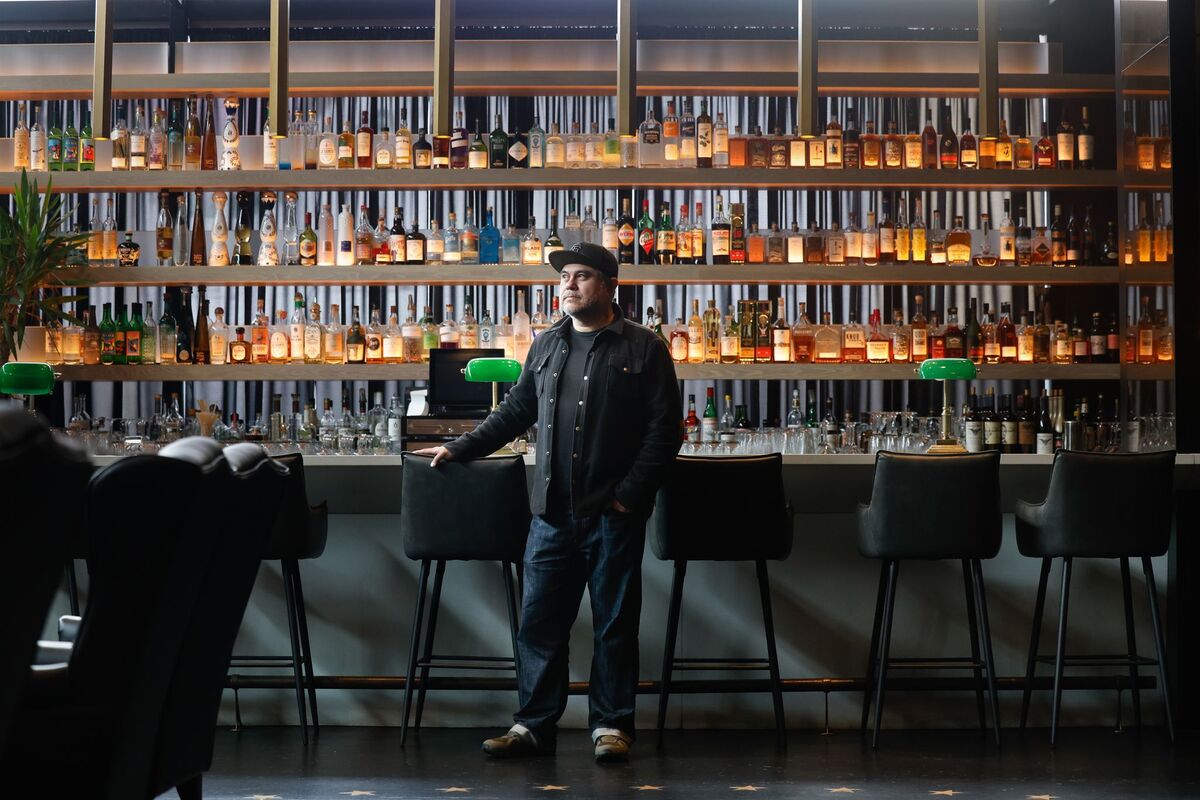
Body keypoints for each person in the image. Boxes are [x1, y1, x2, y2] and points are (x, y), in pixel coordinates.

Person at [415, 241, 681, 763]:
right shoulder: (545, 346)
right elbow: (514, 414)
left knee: (614, 626)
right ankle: (533, 724)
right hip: (551, 516)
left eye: (581, 277)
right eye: (564, 278)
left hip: (612, 515)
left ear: (608, 286)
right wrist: (458, 446)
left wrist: (629, 497)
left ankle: (611, 727)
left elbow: (664, 431)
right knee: (539, 625)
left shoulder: (644, 348)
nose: (568, 286)